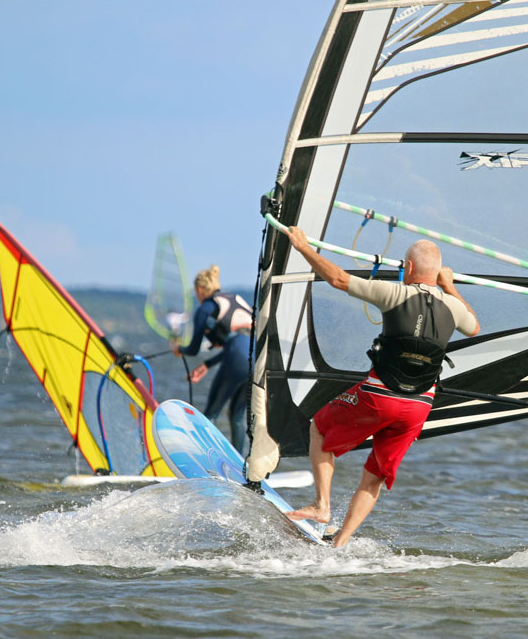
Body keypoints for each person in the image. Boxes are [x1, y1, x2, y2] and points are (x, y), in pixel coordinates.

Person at [284, 226, 479, 548]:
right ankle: (341, 541)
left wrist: (303, 248)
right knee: (374, 474)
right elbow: (473, 326)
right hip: (418, 407)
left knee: (319, 428)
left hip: (380, 396)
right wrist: (450, 287)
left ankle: (321, 506)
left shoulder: (395, 294)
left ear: (410, 269)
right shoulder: (452, 306)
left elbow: (337, 279)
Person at [172, 265, 254, 453]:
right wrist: (208, 364)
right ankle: (239, 468)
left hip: (237, 356)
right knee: (237, 415)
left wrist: (179, 349)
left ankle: (205, 462)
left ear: (200, 289)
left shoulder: (205, 308)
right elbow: (241, 344)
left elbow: (193, 349)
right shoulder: (235, 299)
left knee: (210, 415)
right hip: (258, 360)